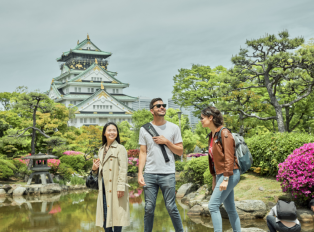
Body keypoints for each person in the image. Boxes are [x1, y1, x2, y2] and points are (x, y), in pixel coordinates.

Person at [138, 98, 184, 232]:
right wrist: (140, 173)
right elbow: (142, 152)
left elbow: (180, 151)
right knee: (149, 208)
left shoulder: (174, 127)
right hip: (150, 174)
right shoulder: (144, 129)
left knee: (171, 207)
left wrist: (166, 142)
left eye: (164, 105)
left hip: (168, 173)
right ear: (152, 110)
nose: (162, 107)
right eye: (158, 106)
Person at [201, 106, 241, 232]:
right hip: (220, 175)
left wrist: (225, 178)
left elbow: (229, 158)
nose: (201, 120)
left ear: (210, 118)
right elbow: (213, 161)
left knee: (213, 206)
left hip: (230, 173)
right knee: (230, 209)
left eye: (202, 118)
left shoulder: (224, 133)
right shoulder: (212, 135)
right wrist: (214, 178)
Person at [92, 122, 130, 232]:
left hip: (115, 186)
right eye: (109, 130)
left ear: (117, 133)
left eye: (114, 130)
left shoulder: (120, 148)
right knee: (105, 217)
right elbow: (99, 170)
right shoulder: (101, 149)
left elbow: (123, 169)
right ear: (104, 133)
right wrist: (94, 169)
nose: (112, 132)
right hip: (103, 186)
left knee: (117, 217)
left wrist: (121, 187)